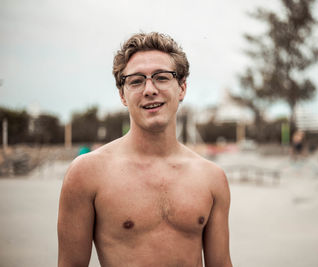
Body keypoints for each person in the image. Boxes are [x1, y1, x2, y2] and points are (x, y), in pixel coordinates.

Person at [57, 32, 232, 267]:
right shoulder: (87, 174)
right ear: (122, 94)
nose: (149, 89)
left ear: (181, 88)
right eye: (136, 81)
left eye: (161, 77)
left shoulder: (212, 178)